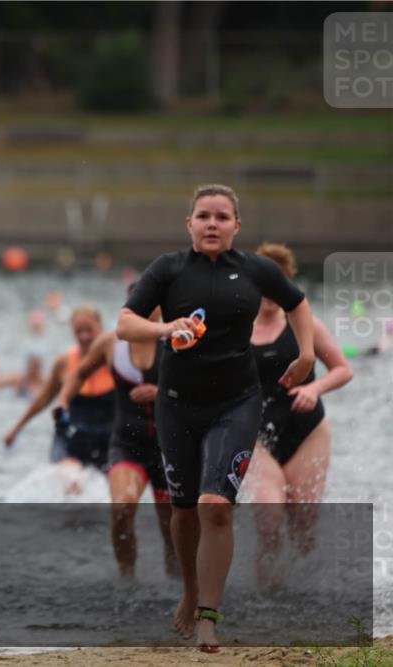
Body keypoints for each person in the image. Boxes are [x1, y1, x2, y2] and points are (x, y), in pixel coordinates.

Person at [116, 184, 314, 652]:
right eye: (203, 215)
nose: (212, 224)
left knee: (215, 506)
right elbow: (125, 322)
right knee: (183, 511)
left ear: (235, 227)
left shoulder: (255, 270)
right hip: (177, 402)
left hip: (236, 402)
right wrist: (167, 327)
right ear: (189, 224)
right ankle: (189, 591)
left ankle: (208, 616)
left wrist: (306, 354)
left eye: (222, 217)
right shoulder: (167, 270)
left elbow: (298, 302)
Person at [243, 243, 353, 586]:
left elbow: (343, 369)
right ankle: (267, 595)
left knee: (304, 532)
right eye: (265, 282)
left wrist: (314, 388)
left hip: (308, 433)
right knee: (269, 519)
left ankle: (301, 591)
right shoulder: (238, 328)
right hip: (257, 436)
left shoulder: (306, 324)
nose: (271, 293)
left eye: (280, 283)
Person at [55, 284, 176, 579]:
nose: (145, 308)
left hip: (168, 448)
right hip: (126, 444)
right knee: (122, 510)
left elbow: (202, 390)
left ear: (161, 308)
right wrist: (63, 402)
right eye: (138, 302)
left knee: (171, 527)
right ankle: (127, 579)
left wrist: (161, 392)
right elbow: (80, 373)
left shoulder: (177, 342)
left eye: (151, 303)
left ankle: (177, 581)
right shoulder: (110, 343)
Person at [3, 306, 115, 488]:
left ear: (101, 328)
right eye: (79, 331)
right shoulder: (64, 362)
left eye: (89, 330)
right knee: (73, 484)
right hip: (70, 439)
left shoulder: (115, 359)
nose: (84, 336)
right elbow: (44, 398)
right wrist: (16, 428)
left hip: (107, 439)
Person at [0, 310, 49, 398]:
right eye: (32, 361)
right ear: (28, 363)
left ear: (41, 363)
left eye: (37, 362)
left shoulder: (47, 382)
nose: (34, 365)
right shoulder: (19, 379)